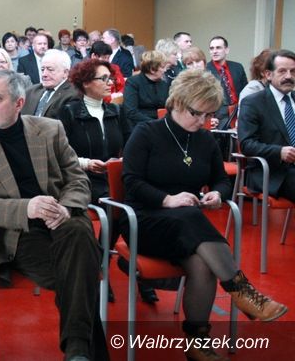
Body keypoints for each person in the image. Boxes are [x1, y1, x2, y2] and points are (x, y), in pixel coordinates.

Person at [122, 69, 287, 360]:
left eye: (209, 115)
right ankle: (243, 292)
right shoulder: (146, 133)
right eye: (196, 113)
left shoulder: (204, 140)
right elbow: (131, 182)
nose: (202, 121)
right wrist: (167, 199)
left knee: (202, 263)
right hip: (144, 219)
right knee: (189, 216)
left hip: (187, 226)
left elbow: (221, 180)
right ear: (177, 102)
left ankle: (197, 341)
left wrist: (218, 195)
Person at [0, 69, 109, 361]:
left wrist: (66, 207)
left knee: (77, 231)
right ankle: (79, 350)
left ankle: (78, 352)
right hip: (20, 233)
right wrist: (26, 208)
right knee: (81, 275)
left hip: (63, 220)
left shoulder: (50, 129)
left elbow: (77, 179)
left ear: (19, 103)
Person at [59, 59, 130, 204]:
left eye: (110, 78)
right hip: (81, 178)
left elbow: (131, 145)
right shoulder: (69, 112)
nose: (110, 83)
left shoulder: (116, 111)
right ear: (86, 83)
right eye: (104, 78)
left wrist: (120, 161)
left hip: (114, 177)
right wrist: (87, 163)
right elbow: (59, 153)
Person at [238, 49, 295, 199]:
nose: (289, 76)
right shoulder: (253, 102)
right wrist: (279, 152)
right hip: (272, 172)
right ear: (268, 74)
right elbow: (247, 144)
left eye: (293, 71)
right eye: (282, 71)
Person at [22, 49, 77, 119]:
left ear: (65, 73)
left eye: (50, 70)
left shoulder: (73, 94)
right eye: (42, 69)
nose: (44, 74)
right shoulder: (30, 91)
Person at [123, 50, 170, 128]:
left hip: (161, 123)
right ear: (152, 69)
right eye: (162, 67)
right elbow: (131, 112)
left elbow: (169, 106)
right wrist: (156, 124)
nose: (165, 70)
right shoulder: (133, 82)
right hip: (141, 125)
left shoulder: (163, 84)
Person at [206, 36, 247, 108]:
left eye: (218, 48)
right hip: (217, 112)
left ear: (226, 50)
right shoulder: (205, 70)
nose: (214, 51)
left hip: (240, 110)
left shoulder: (238, 67)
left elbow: (245, 91)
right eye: (211, 48)